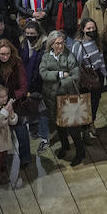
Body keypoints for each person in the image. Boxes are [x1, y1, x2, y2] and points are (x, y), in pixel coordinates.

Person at [39, 30, 85, 165]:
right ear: (51, 44)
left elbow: (75, 76)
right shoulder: (46, 56)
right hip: (52, 99)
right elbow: (43, 73)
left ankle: (80, 152)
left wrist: (60, 83)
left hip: (67, 97)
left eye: (62, 43)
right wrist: (59, 75)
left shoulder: (69, 56)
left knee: (73, 128)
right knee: (59, 125)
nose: (60, 46)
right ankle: (65, 146)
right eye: (57, 43)